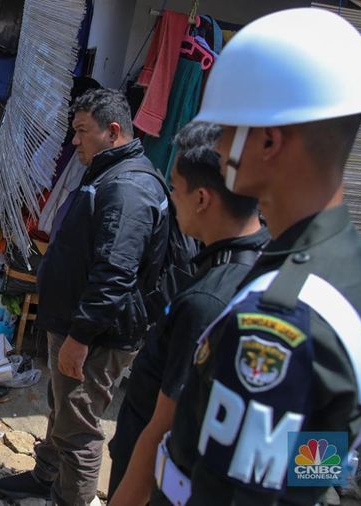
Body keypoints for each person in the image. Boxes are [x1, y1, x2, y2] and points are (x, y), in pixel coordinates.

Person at [151, 8, 361, 505]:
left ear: (268, 141)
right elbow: (316, 459)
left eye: (228, 128)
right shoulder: (346, 266)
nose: (219, 143)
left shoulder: (275, 325)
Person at [0, 88, 171, 505]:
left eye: (81, 131)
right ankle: (46, 477)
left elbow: (115, 273)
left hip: (96, 336)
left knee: (79, 430)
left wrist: (80, 338)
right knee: (62, 411)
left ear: (112, 131)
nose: (74, 141)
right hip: (75, 324)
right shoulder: (107, 173)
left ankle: (69, 498)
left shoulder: (129, 188)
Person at [108, 121, 268, 505]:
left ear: (201, 198)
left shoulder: (208, 301)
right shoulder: (268, 261)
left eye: (175, 189)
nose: (172, 200)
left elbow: (161, 428)